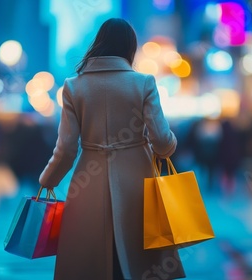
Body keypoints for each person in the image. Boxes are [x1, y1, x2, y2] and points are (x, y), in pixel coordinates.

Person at [38, 18, 185, 280]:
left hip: (87, 186)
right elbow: (163, 142)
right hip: (138, 186)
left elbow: (66, 149)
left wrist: (47, 180)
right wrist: (167, 143)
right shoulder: (143, 83)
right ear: (130, 48)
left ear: (99, 44)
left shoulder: (74, 86)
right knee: (141, 265)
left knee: (91, 264)